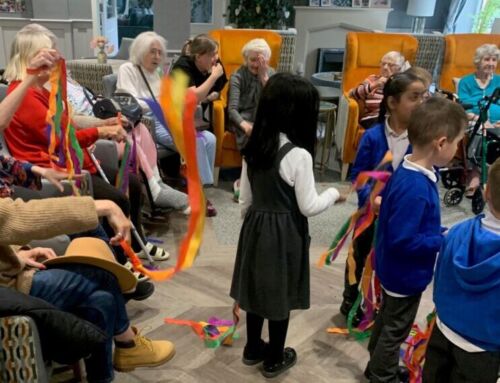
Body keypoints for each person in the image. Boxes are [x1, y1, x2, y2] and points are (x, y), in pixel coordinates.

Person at [3, 24, 168, 261]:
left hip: (66, 160)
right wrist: (101, 132)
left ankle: (136, 240)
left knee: (131, 182)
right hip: (53, 169)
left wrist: (100, 125)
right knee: (117, 197)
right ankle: (122, 256)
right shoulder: (26, 95)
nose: (57, 59)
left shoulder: (41, 91)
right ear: (32, 58)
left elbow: (66, 125)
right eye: (50, 54)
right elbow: (61, 142)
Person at [230, 73, 344, 379]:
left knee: (255, 290)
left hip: (255, 226)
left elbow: (245, 198)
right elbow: (309, 206)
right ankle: (275, 358)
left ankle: (253, 347)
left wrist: (252, 228)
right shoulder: (299, 155)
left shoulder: (254, 145)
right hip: (284, 234)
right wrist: (333, 194)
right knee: (279, 294)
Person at [0, 195, 175, 383]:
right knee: (102, 275)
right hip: (7, 290)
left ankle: (111, 367)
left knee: (102, 298)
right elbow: (13, 215)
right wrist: (105, 206)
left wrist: (17, 254)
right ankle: (127, 343)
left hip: (11, 276)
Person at [365, 97, 467, 383]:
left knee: (387, 321)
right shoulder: (416, 187)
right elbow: (403, 240)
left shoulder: (410, 166)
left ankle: (376, 365)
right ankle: (382, 375)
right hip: (404, 275)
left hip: (393, 270)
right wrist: (439, 239)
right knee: (396, 328)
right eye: (458, 142)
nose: (458, 149)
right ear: (441, 142)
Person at [340, 72, 428, 323]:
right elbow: (360, 176)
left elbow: (428, 175)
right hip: (370, 214)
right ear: (392, 103)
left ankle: (380, 303)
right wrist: (372, 200)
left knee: (389, 259)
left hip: (401, 219)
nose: (421, 103)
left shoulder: (421, 139)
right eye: (414, 97)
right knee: (359, 254)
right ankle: (350, 300)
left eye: (423, 97)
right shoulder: (373, 137)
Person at [117, 31, 218, 215]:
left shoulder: (156, 73)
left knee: (209, 138)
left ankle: (201, 187)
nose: (157, 56)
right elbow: (128, 102)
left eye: (159, 52)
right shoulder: (128, 69)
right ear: (140, 51)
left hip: (167, 119)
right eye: (152, 52)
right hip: (147, 123)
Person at [422, 158, 500, 383]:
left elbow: (441, 279)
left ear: (485, 193)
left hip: (443, 332)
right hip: (483, 351)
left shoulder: (456, 232)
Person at [67, 74, 190, 214]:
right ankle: (154, 191)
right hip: (92, 133)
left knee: (140, 128)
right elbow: (72, 120)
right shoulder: (52, 90)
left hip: (100, 118)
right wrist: (102, 124)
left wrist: (109, 118)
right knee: (129, 140)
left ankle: (157, 180)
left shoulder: (68, 79)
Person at [457, 43, 500, 195]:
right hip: (473, 120)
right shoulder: (466, 82)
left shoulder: (499, 81)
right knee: (479, 131)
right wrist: (482, 120)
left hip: (497, 123)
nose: (491, 63)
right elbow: (463, 106)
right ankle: (474, 172)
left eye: (494, 60)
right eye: (486, 59)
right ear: (478, 61)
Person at [228, 38, 275, 150]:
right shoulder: (237, 77)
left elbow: (277, 104)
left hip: (264, 119)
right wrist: (246, 126)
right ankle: (251, 166)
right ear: (246, 59)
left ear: (266, 61)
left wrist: (264, 79)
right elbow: (232, 110)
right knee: (256, 140)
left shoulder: (271, 74)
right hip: (241, 120)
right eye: (252, 60)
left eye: (259, 61)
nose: (255, 65)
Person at [349, 51, 407, 129]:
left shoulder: (404, 83)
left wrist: (391, 81)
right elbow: (353, 94)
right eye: (383, 64)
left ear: (400, 68)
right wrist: (375, 85)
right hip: (373, 118)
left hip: (395, 119)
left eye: (391, 65)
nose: (385, 67)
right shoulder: (372, 79)